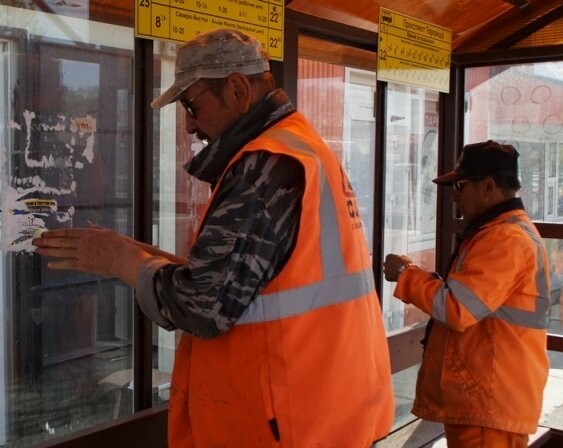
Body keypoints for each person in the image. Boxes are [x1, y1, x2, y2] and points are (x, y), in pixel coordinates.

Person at [33, 28, 394, 447]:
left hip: (283, 425)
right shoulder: (301, 149)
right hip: (324, 412)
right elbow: (246, 283)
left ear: (238, 90)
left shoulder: (265, 165)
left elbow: (205, 307)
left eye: (192, 104)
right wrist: (137, 253)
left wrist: (120, 261)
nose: (189, 124)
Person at [383, 140, 551, 447]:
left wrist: (405, 276)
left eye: (460, 186)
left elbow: (458, 308)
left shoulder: (504, 238)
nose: (455, 196)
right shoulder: (501, 232)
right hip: (487, 397)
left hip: (489, 401)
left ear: (488, 186)